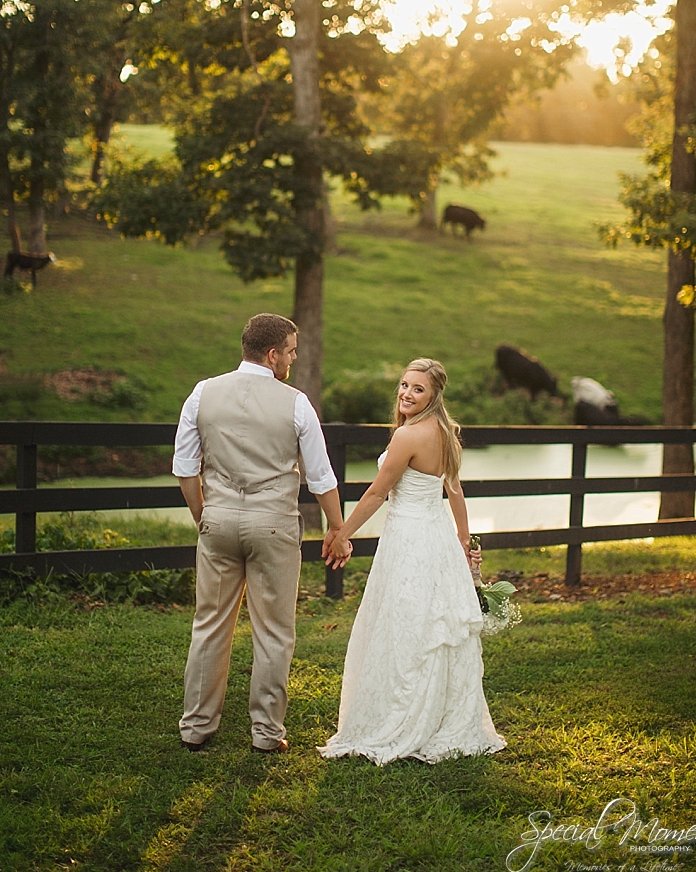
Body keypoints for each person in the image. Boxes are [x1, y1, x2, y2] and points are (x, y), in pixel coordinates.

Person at [174, 313, 350, 754]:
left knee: (210, 624)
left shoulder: (202, 393)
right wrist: (337, 528)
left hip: (218, 520)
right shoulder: (296, 403)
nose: (293, 358)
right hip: (273, 524)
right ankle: (267, 733)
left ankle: (196, 726)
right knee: (273, 629)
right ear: (272, 355)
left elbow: (184, 468)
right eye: (290, 350)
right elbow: (321, 477)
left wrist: (204, 515)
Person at [318, 358, 506, 765]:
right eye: (404, 385)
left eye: (417, 388)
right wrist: (462, 539)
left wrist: (341, 533)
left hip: (409, 540)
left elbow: (375, 494)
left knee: (406, 625)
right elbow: (454, 490)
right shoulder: (446, 433)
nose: (406, 393)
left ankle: (405, 717)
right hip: (436, 538)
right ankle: (441, 715)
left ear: (434, 394)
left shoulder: (408, 437)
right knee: (431, 625)